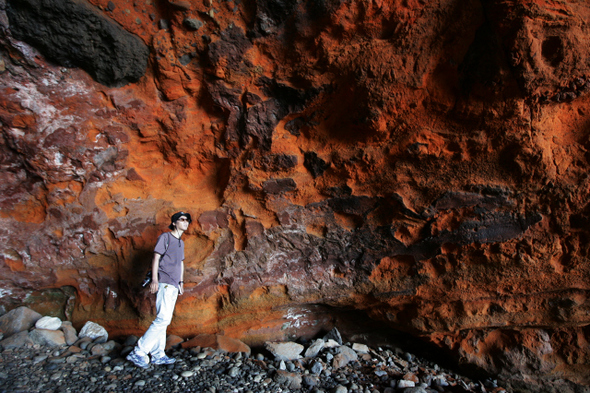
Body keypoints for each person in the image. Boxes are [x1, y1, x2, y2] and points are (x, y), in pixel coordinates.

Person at [126, 211, 191, 368]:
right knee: (162, 319)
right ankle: (139, 352)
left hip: (174, 284)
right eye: (182, 220)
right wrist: (155, 279)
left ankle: (158, 354)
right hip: (165, 283)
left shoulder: (180, 242)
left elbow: (180, 263)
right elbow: (156, 258)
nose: (186, 222)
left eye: (187, 220)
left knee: (164, 320)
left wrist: (181, 282)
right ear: (174, 222)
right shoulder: (165, 238)